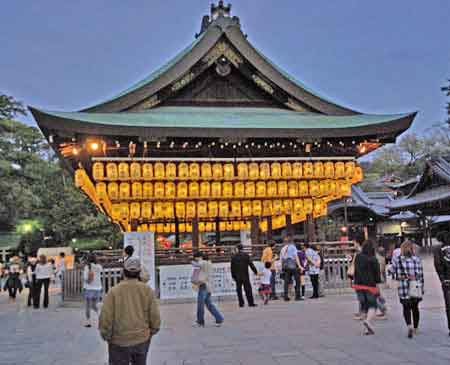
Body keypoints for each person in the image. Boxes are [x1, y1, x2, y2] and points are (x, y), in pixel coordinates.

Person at [99, 257, 160, 365]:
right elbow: (155, 316)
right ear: (139, 272)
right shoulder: (147, 290)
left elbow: (106, 317)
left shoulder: (114, 291)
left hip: (119, 341)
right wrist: (152, 331)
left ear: (124, 272)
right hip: (142, 338)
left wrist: (106, 335)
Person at [390, 240, 424, 338]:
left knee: (406, 307)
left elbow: (391, 270)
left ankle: (409, 326)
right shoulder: (416, 259)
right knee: (415, 308)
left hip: (403, 286)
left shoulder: (398, 259)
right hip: (415, 286)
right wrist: (422, 287)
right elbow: (421, 275)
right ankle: (416, 328)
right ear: (412, 249)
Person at [352, 240, 382, 335]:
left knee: (364, 306)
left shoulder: (358, 257)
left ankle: (367, 328)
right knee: (373, 305)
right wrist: (377, 285)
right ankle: (368, 321)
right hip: (370, 285)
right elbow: (377, 275)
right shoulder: (373, 259)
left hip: (358, 284)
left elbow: (355, 270)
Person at [191, 252, 224, 327]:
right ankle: (219, 319)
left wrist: (192, 261)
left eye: (196, 257)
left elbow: (196, 264)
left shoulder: (204, 263)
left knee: (200, 305)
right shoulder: (208, 263)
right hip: (207, 286)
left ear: (199, 257)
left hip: (204, 285)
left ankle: (200, 322)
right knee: (209, 304)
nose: (195, 259)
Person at [434, 231, 450, 337]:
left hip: (447, 281)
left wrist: (442, 279)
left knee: (449, 305)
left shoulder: (438, 250)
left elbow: (438, 265)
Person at [83, 254, 103, 328]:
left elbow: (85, 278)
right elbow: (100, 272)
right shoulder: (99, 266)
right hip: (97, 288)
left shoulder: (87, 267)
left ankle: (88, 322)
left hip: (89, 288)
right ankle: (100, 317)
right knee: (95, 305)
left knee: (88, 306)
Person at [280, 235, 302, 301]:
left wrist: (282, 267)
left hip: (285, 266)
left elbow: (281, 259)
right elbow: (296, 257)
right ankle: (297, 296)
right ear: (291, 241)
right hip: (292, 265)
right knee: (297, 280)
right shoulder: (293, 247)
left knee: (286, 281)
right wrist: (299, 265)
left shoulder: (283, 249)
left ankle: (286, 296)